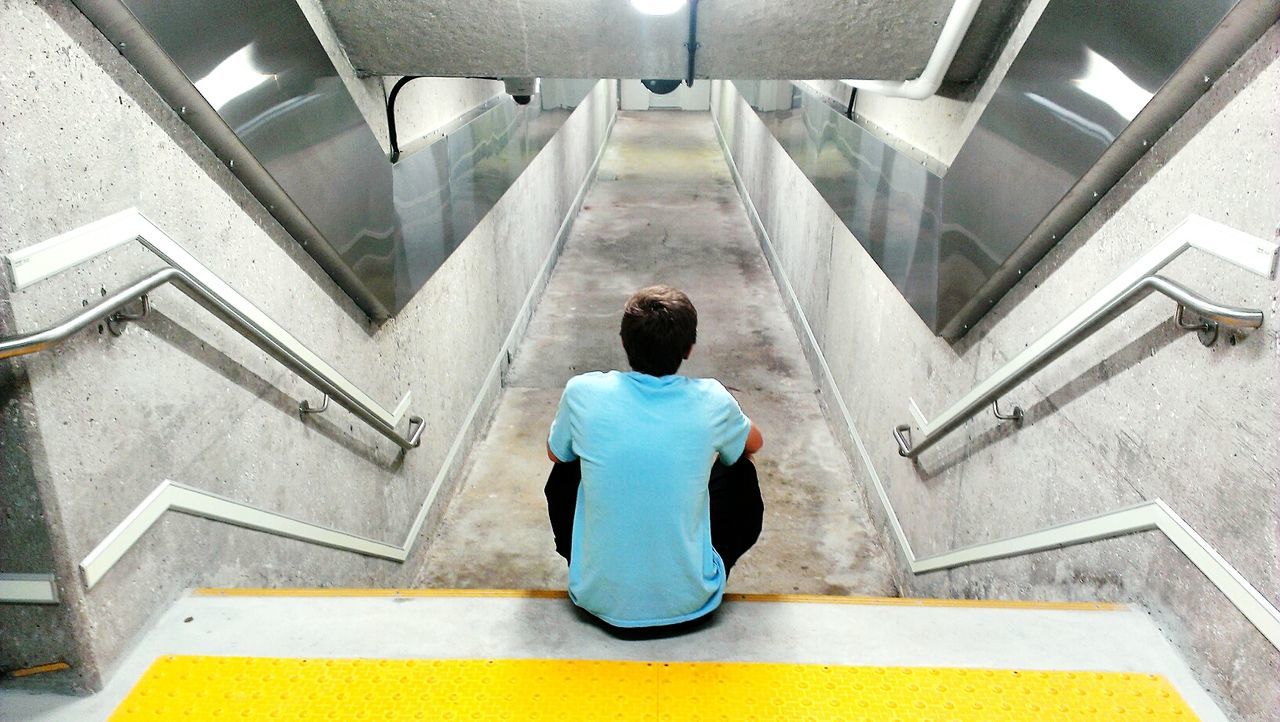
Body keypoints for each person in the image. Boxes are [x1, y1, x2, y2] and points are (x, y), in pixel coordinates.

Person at [544, 285, 764, 631]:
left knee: (566, 466)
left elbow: (555, 453)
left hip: (595, 598)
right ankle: (696, 566)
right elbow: (754, 443)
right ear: (689, 349)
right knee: (739, 467)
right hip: (693, 600)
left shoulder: (582, 392)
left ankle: (591, 566)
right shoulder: (712, 400)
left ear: (623, 342)